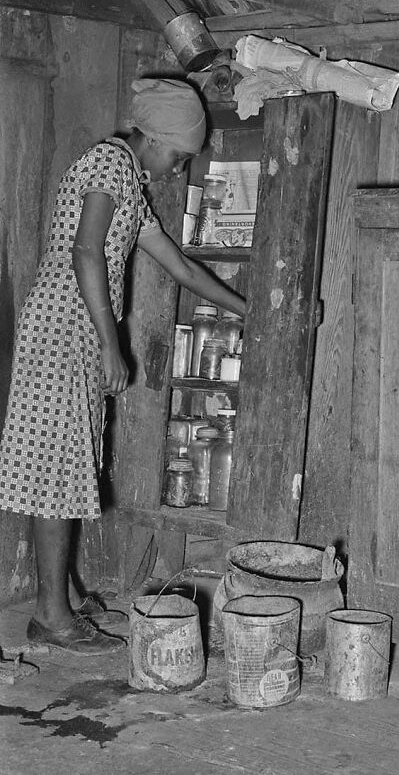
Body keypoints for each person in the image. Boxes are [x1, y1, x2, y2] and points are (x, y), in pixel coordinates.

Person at [0, 78, 245, 654]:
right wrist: (111, 343)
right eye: (180, 156)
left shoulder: (130, 182)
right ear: (155, 137)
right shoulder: (110, 163)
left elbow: (180, 267)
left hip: (76, 332)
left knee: (66, 465)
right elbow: (86, 250)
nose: (179, 167)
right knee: (56, 473)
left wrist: (250, 311)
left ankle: (63, 595)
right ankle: (51, 616)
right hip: (63, 329)